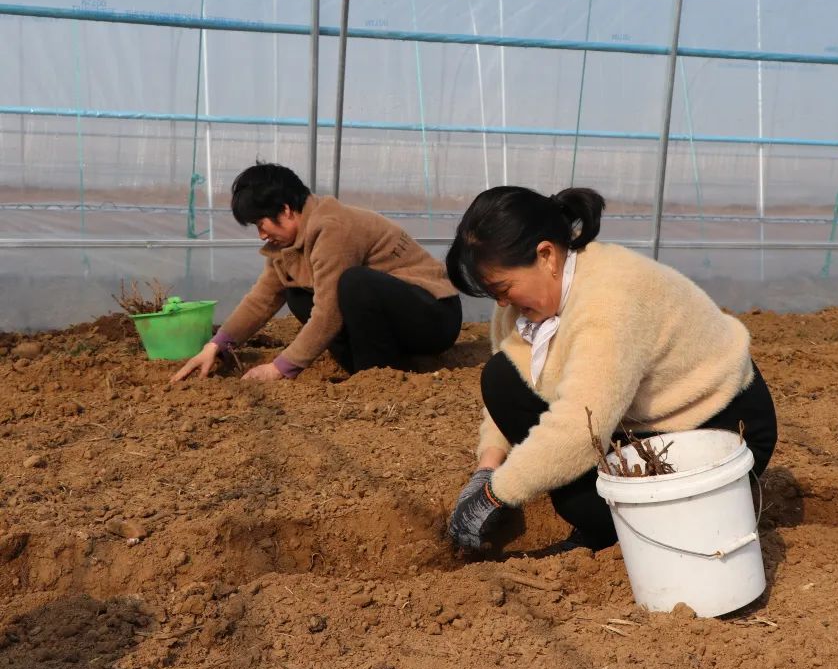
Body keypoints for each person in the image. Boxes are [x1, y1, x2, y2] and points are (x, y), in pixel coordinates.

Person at [444, 186, 777, 552]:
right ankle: (615, 522)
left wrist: (497, 494)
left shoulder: (609, 301)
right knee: (501, 378)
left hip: (722, 426)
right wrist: (487, 467)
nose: (502, 302)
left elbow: (580, 431)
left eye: (503, 287)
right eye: (494, 294)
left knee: (581, 499)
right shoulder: (521, 306)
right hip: (644, 423)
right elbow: (518, 382)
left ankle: (619, 532)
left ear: (546, 256)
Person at [171, 162, 461, 383]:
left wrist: (280, 367)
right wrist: (217, 344)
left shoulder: (333, 227)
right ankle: (372, 368)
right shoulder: (288, 244)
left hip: (433, 315)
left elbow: (329, 310)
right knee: (298, 294)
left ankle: (379, 375)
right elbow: (262, 298)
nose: (261, 235)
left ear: (285, 210)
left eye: (261, 224)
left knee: (353, 284)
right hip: (397, 319)